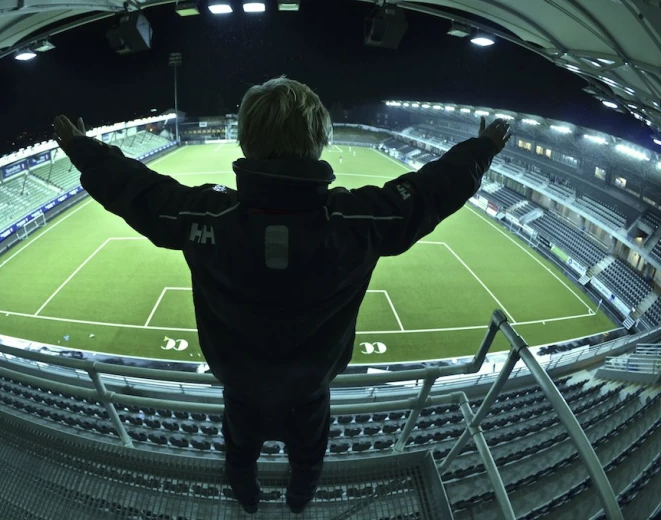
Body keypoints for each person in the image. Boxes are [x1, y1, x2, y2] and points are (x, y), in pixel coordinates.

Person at [52, 76, 510, 515]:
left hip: (240, 386)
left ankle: (248, 500)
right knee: (309, 456)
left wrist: (82, 149)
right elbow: (431, 191)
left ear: (245, 143)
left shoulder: (205, 216)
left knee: (240, 452)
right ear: (319, 142)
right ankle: (298, 501)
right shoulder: (359, 221)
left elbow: (136, 189)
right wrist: (482, 148)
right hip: (311, 389)